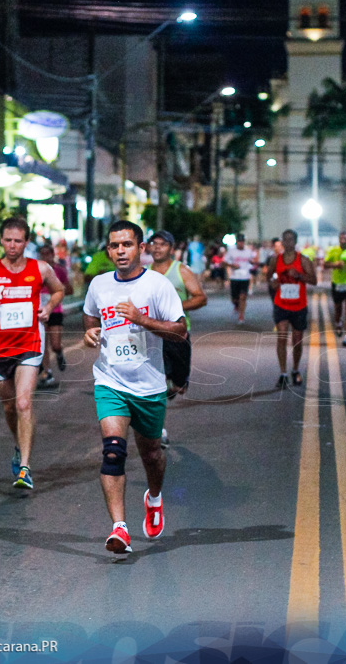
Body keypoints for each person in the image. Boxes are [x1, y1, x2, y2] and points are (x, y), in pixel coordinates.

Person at [82, 220, 186, 555]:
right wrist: (90, 333)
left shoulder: (157, 286)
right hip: (110, 381)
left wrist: (142, 320)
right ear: (109, 250)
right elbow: (90, 317)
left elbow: (180, 331)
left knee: (152, 454)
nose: (120, 251)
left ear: (141, 248)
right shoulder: (99, 285)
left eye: (127, 244)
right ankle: (119, 529)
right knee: (113, 451)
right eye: (114, 246)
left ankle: (153, 497)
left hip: (149, 386)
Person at [0, 217, 65, 491]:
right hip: (0, 346)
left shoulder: (40, 268)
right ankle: (19, 444)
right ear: (1, 240)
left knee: (23, 403)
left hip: (30, 343)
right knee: (9, 406)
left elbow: (59, 290)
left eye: (18, 241)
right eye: (8, 240)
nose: (12, 245)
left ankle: (25, 467)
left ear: (26, 242)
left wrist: (48, 308)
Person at [147, 228, 207, 407]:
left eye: (163, 245)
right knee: (155, 380)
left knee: (180, 386)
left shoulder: (181, 270)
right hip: (153, 333)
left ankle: (173, 386)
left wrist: (174, 308)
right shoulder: (144, 273)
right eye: (154, 244)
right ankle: (156, 424)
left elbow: (201, 298)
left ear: (171, 249)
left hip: (177, 331)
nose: (157, 248)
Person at [272, 229, 317, 389]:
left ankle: (295, 369)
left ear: (295, 241)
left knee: (297, 341)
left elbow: (314, 280)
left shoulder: (303, 260)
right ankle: (283, 374)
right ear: (282, 242)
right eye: (285, 239)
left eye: (291, 239)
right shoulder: (276, 260)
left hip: (299, 305)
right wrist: (273, 282)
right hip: (281, 304)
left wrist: (299, 275)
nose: (288, 242)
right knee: (282, 337)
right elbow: (269, 277)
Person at [37, 243, 74, 388]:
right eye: (42, 254)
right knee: (42, 344)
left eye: (48, 253)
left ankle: (59, 353)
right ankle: (47, 372)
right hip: (40, 310)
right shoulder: (35, 270)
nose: (45, 256)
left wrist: (58, 291)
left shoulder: (59, 270)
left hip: (56, 310)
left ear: (53, 254)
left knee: (55, 344)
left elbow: (69, 290)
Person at [323, 231, 346, 347]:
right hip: (337, 283)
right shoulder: (333, 250)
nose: (343, 240)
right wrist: (336, 265)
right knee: (338, 308)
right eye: (341, 238)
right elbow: (325, 264)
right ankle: (338, 322)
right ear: (339, 239)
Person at [225, 234, 258, 324]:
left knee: (243, 297)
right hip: (235, 277)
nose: (241, 243)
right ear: (237, 242)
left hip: (245, 277)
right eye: (239, 241)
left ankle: (241, 316)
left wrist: (254, 262)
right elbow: (224, 263)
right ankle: (236, 305)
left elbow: (252, 260)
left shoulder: (248, 251)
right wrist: (232, 265)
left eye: (242, 241)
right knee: (235, 299)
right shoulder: (231, 252)